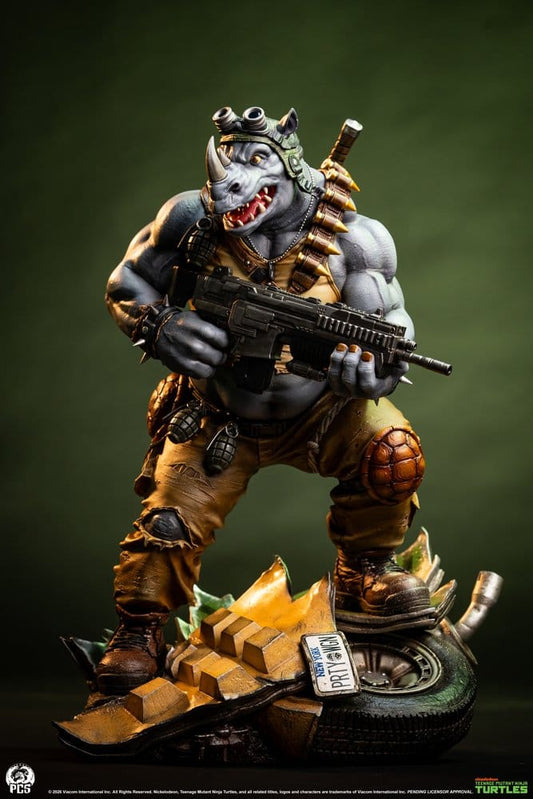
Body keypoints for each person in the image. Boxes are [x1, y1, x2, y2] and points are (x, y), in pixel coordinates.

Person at [96, 106, 428, 694]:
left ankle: (365, 569)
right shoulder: (194, 220)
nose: (231, 185)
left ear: (291, 167)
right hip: (217, 411)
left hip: (323, 411)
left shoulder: (354, 240)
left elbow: (392, 328)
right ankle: (140, 628)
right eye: (226, 161)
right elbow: (127, 282)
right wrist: (159, 324)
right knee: (169, 518)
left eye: (254, 161)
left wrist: (371, 375)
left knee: (392, 452)